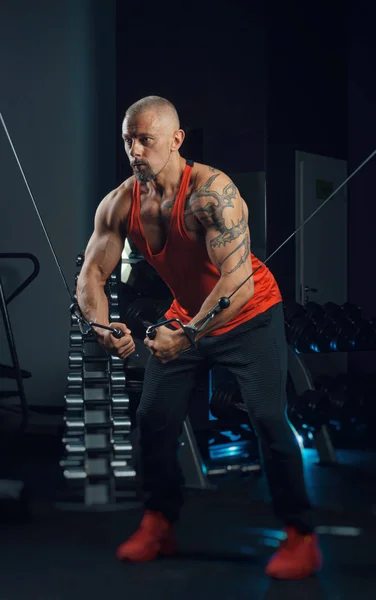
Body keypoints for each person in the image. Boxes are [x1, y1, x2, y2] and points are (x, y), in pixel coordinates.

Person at [76, 95, 322, 579]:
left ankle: (301, 535)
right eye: (129, 140)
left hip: (250, 314)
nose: (135, 151)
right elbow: (91, 276)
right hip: (187, 315)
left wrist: (185, 338)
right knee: (153, 418)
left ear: (175, 139)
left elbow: (238, 282)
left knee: (269, 419)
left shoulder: (212, 192)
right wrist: (103, 326)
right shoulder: (121, 202)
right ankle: (159, 521)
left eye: (146, 140)